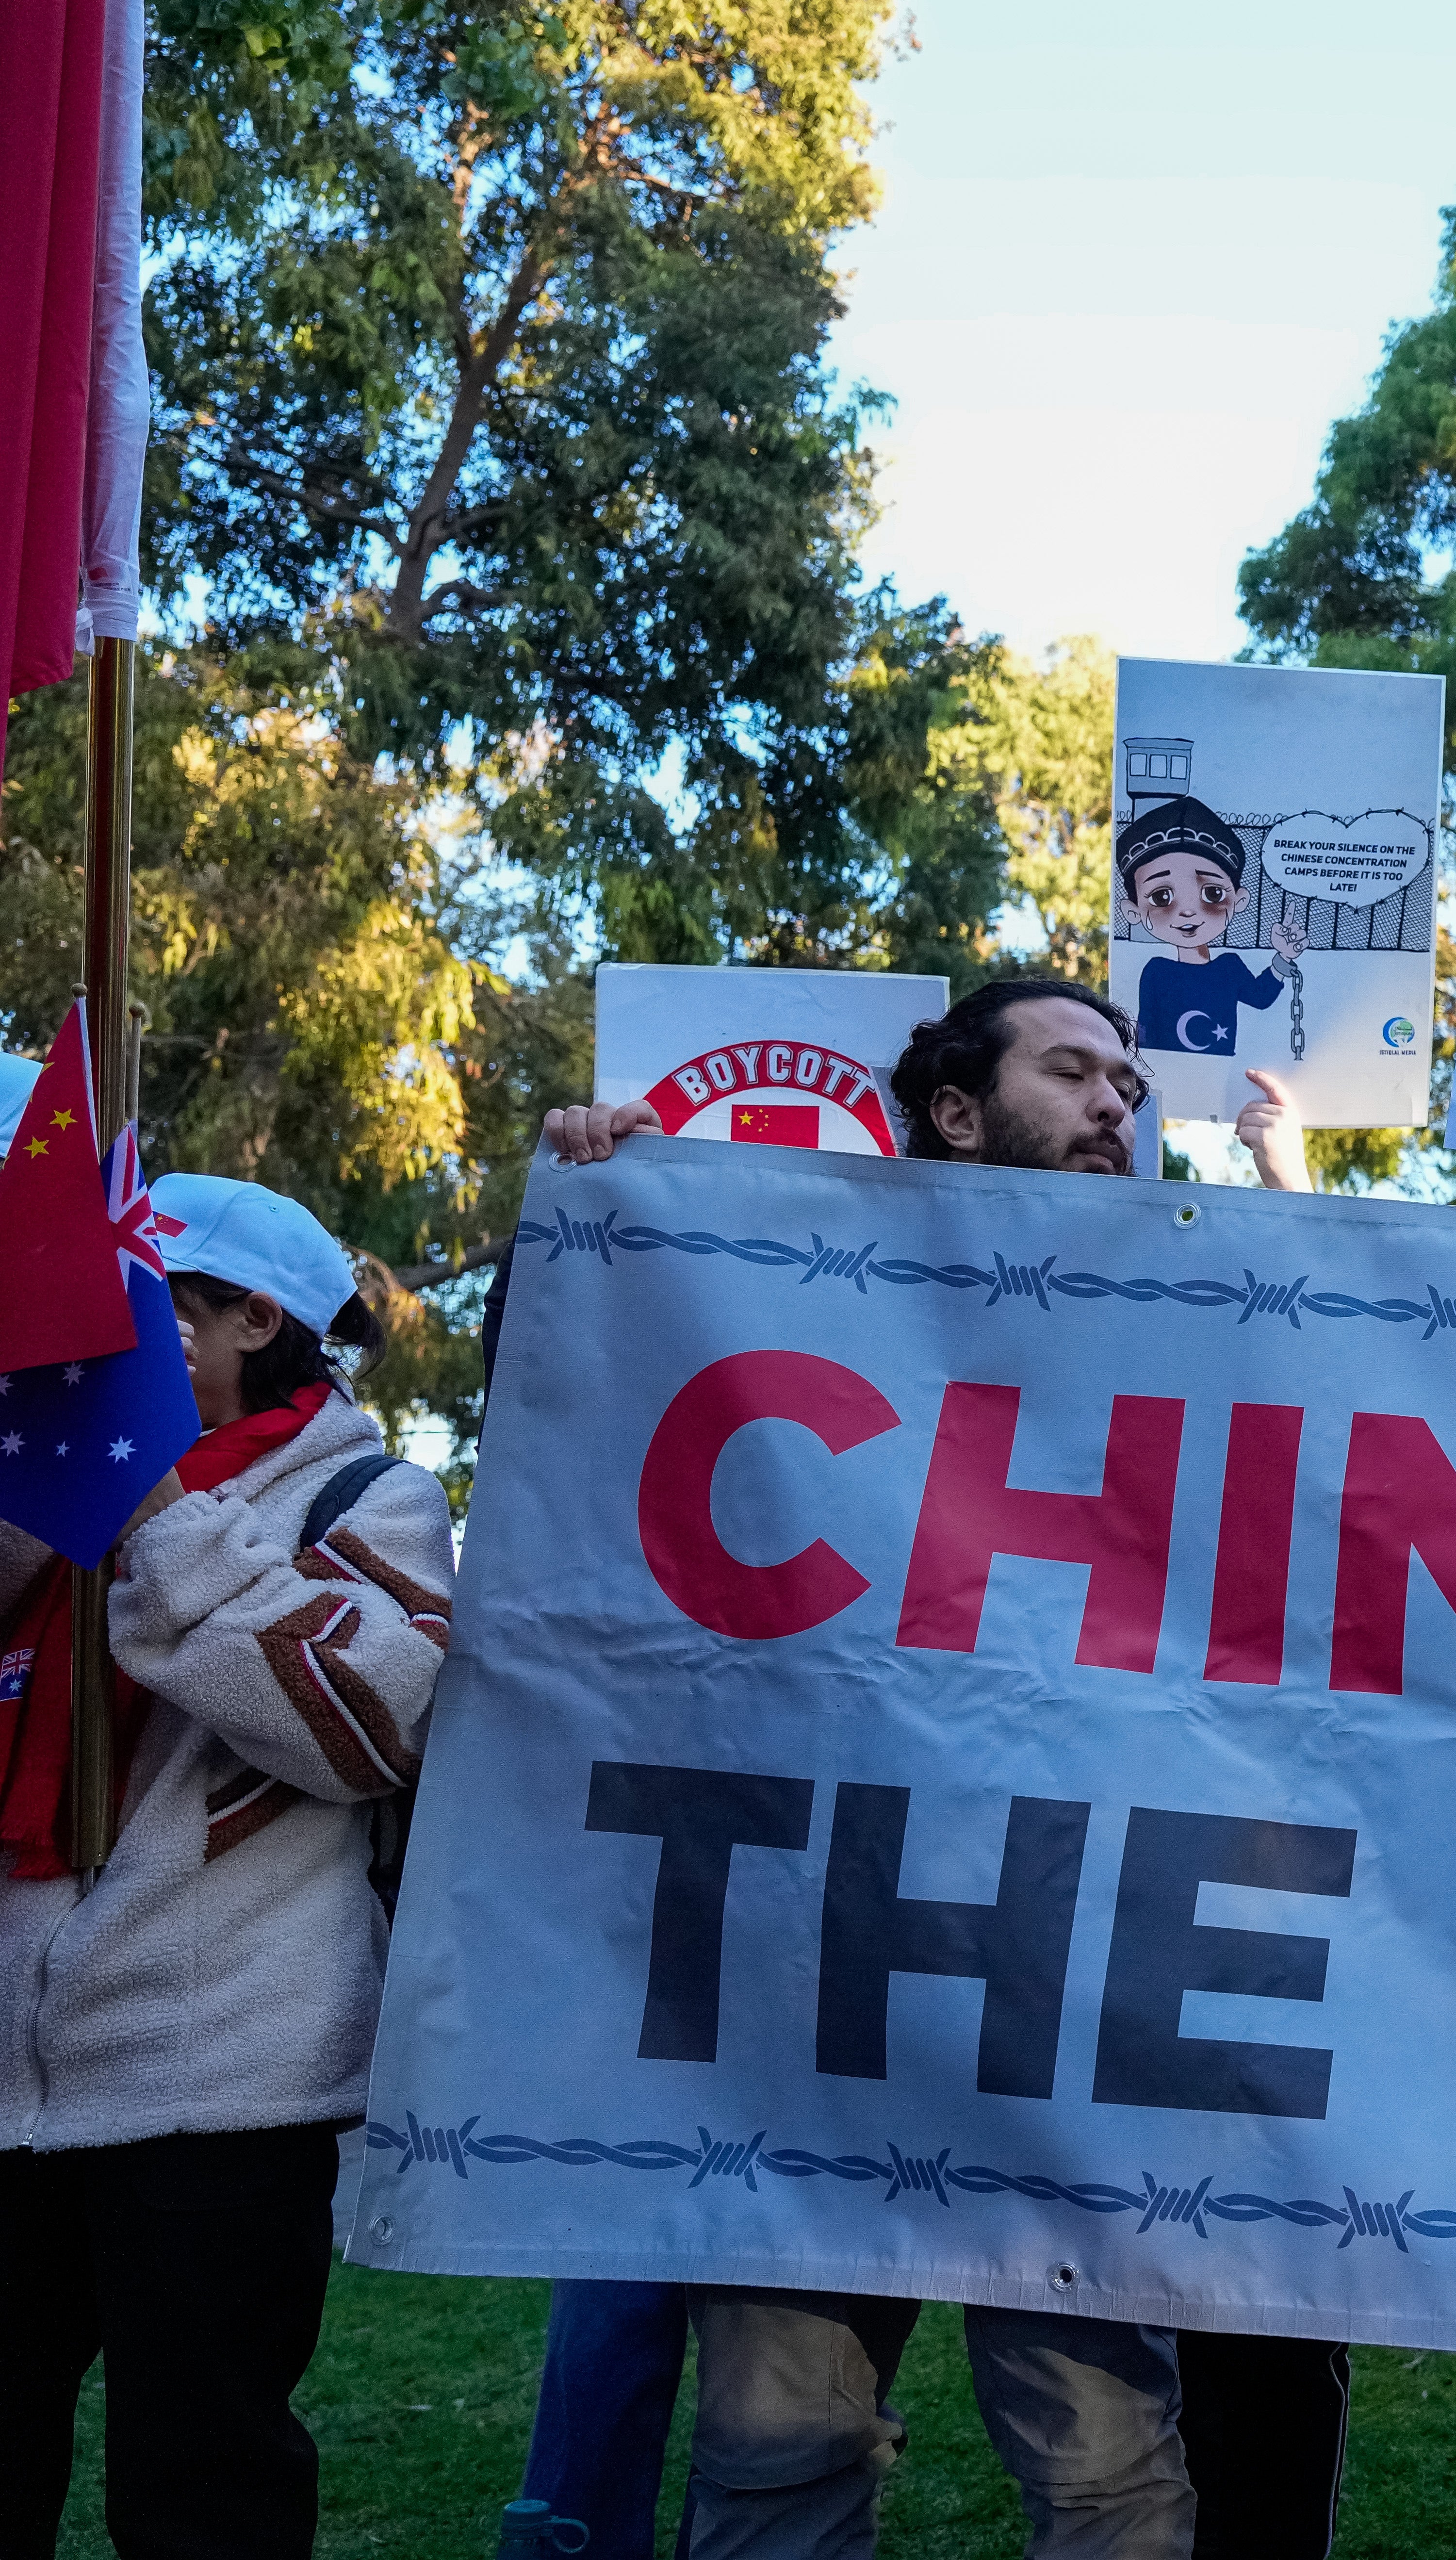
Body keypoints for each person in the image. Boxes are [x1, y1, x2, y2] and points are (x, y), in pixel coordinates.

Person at [535, 980, 1237, 2560]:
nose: (1117, 1101)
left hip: (1062, 2004)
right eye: (1073, 1071)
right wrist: (599, 1213)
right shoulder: (785, 1289)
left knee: (1110, 2466)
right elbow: (571, 1435)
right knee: (779, 2454)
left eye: (1129, 1080)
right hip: (813, 1995)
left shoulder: (1202, 1325)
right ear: (960, 1112)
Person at [0, 1176, 453, 2560]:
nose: (95, 1360)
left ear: (256, 1318)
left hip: (218, 2093)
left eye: (138, 1325)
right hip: (10, 2092)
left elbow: (360, 1727)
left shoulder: (377, 1498)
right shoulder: (41, 1471)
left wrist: (154, 1505)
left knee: (205, 2488)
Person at [1119, 795, 1306, 1060]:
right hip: (1169, 1076)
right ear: (1133, 911)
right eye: (1162, 897)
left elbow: (1261, 997)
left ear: (1239, 900)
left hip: (1220, 1078)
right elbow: (1146, 1028)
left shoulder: (1229, 968)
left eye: (1213, 894)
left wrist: (1283, 958)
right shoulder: (1157, 973)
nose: (1188, 911)